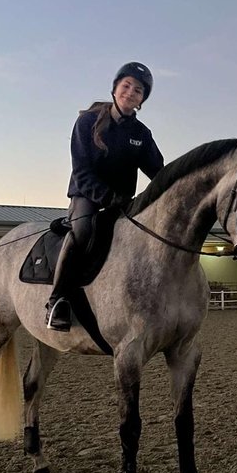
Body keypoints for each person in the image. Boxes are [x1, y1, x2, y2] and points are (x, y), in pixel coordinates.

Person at [45, 61, 165, 331]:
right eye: (127, 85)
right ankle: (57, 301)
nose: (130, 92)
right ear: (115, 88)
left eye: (138, 90)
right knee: (83, 232)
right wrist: (107, 197)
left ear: (142, 100)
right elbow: (81, 171)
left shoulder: (141, 134)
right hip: (86, 197)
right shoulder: (87, 122)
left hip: (122, 202)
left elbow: (159, 172)